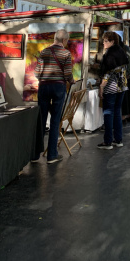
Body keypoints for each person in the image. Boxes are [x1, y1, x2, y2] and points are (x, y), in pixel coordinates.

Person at [31, 29, 75, 164]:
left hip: (44, 86)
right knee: (55, 120)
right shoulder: (66, 53)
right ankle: (52, 155)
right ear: (64, 40)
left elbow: (37, 73)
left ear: (55, 38)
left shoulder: (44, 52)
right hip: (58, 87)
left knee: (41, 121)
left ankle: (34, 155)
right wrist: (72, 81)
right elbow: (67, 73)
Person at [97, 31, 127, 150]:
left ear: (112, 41)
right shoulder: (121, 52)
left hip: (111, 88)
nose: (103, 43)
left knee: (108, 114)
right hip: (122, 87)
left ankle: (108, 142)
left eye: (106, 41)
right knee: (117, 113)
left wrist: (101, 87)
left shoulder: (110, 54)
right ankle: (118, 140)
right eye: (103, 40)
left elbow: (107, 73)